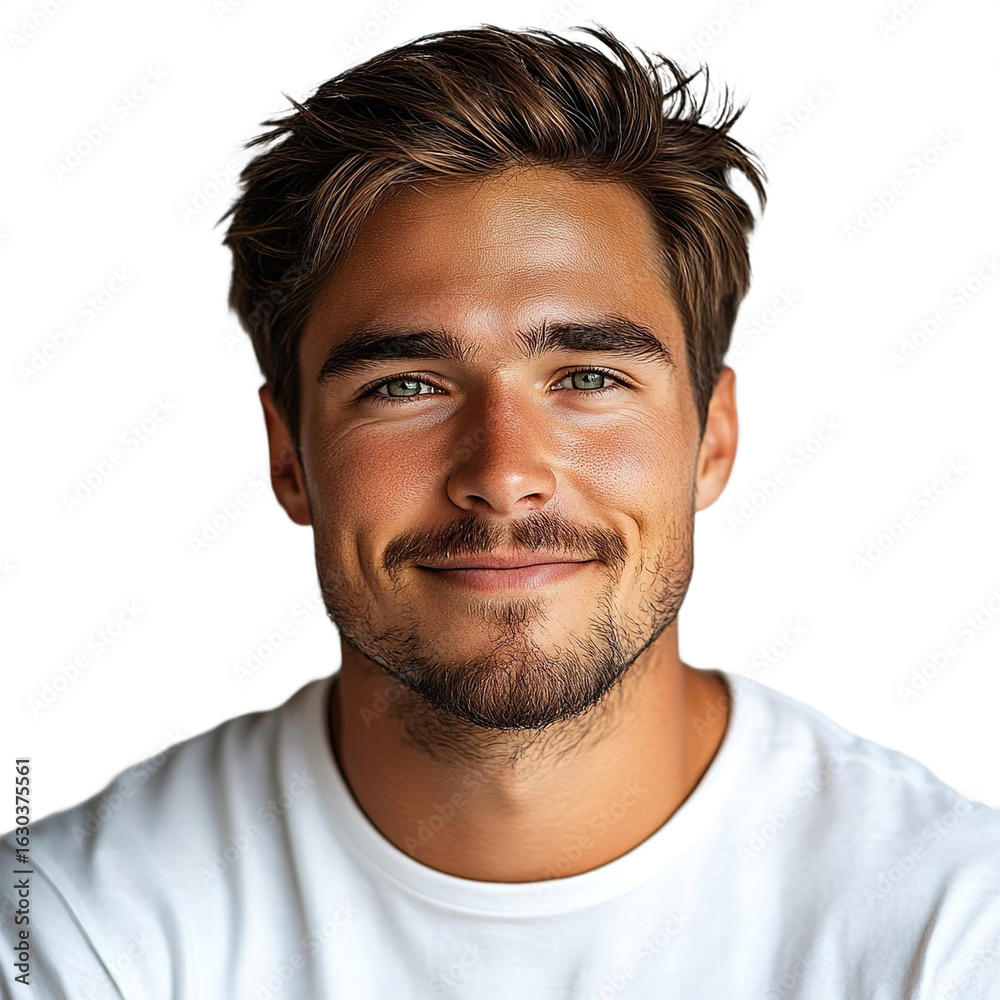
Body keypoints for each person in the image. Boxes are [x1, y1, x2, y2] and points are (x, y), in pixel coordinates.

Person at [3, 23, 998, 999]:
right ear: (289, 456)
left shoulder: (952, 928)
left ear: (712, 437)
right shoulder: (77, 927)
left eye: (589, 375)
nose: (504, 473)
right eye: (404, 384)